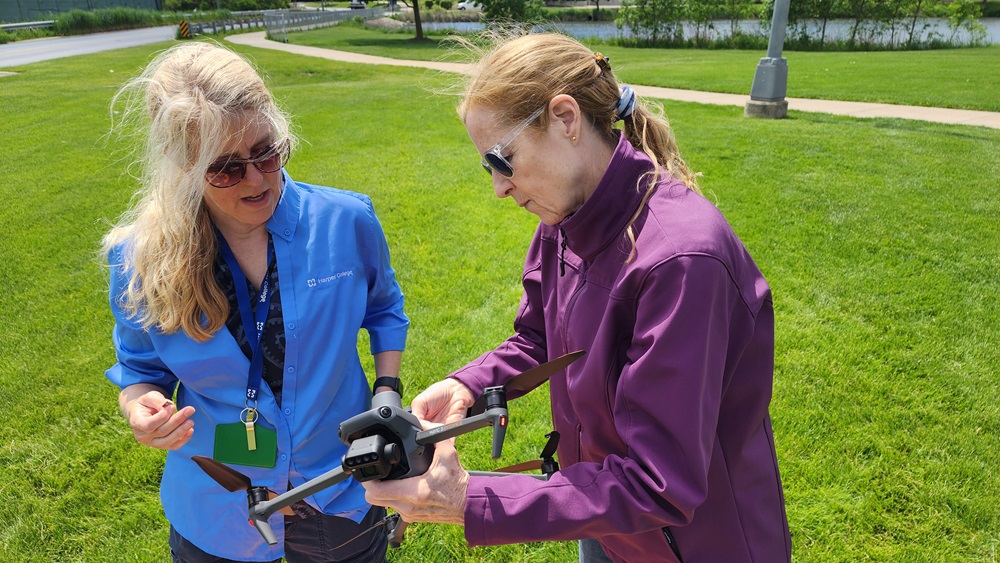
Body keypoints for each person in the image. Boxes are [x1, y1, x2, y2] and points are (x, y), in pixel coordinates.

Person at [361, 32, 791, 562]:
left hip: (698, 544)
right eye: (487, 168)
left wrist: (470, 499)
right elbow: (541, 337)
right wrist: (466, 384)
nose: (498, 187)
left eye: (503, 159)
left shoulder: (682, 261)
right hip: (600, 518)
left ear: (565, 118)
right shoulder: (564, 216)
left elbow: (660, 483)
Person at [102, 42, 409, 563]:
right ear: (182, 164)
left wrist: (387, 391)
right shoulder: (138, 258)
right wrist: (140, 408)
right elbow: (139, 369)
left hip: (340, 491)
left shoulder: (347, 220)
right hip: (218, 506)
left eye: (267, 151)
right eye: (226, 168)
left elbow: (384, 308)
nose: (257, 178)